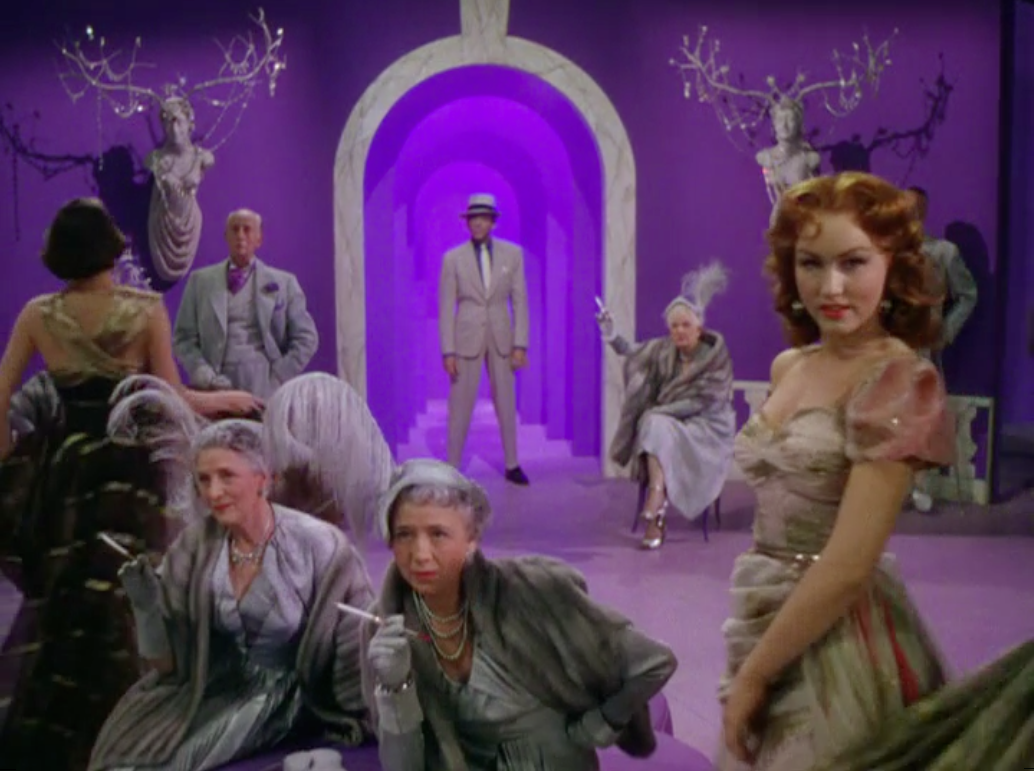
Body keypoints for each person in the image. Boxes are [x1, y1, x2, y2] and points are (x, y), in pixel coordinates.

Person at [0, 198, 259, 770]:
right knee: (127, 598)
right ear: (109, 246)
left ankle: (63, 741)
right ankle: (128, 734)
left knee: (66, 601)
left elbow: (1, 394)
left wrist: (10, 464)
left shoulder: (38, 314)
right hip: (126, 474)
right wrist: (226, 401)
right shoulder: (144, 311)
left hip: (66, 471)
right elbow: (171, 397)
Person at [717, 172, 958, 770]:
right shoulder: (789, 366)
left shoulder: (899, 381)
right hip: (766, 610)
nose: (831, 287)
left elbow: (849, 567)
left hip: (841, 637)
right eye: (811, 263)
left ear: (892, 266)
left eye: (854, 262)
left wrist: (755, 675)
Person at [89, 419, 375, 771]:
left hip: (292, 697)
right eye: (204, 480)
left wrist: (367, 712)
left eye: (226, 476)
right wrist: (146, 606)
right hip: (212, 687)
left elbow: (354, 645)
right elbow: (166, 666)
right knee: (123, 757)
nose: (213, 492)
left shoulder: (319, 545)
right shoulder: (195, 547)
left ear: (263, 479)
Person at [361, 458, 678, 770]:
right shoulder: (384, 631)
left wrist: (600, 725)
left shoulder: (529, 592)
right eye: (404, 534)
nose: (420, 554)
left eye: (437, 534)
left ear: (471, 540)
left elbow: (655, 662)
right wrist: (395, 688)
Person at [597, 261, 736, 549]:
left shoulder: (715, 358)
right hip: (670, 425)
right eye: (674, 326)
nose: (680, 331)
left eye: (686, 325)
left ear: (699, 328)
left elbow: (703, 402)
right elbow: (631, 352)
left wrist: (659, 411)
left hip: (707, 428)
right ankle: (657, 500)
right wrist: (611, 334)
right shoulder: (662, 350)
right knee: (656, 425)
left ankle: (656, 511)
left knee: (654, 422)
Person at [173, 208, 319, 399]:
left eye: (247, 229)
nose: (240, 235)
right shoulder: (200, 282)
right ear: (226, 237)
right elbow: (183, 338)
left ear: (259, 239)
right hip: (215, 387)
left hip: (266, 387)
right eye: (235, 229)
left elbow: (307, 338)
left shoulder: (285, 283)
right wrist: (202, 373)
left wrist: (278, 377)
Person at [438, 194, 530, 485]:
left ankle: (512, 463)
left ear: (492, 221)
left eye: (483, 218)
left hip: (501, 336)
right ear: (467, 223)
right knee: (460, 404)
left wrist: (520, 344)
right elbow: (445, 307)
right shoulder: (453, 258)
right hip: (466, 336)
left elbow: (520, 301)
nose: (477, 223)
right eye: (472, 218)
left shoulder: (513, 255)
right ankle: (452, 466)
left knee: (506, 401)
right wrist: (448, 351)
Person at [904, 186, 978, 513]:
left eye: (916, 209)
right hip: (889, 347)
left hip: (924, 347)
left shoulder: (944, 252)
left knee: (922, 418)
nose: (910, 215)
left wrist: (945, 331)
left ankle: (919, 484)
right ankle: (890, 488)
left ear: (924, 211)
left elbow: (968, 295)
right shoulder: (887, 253)